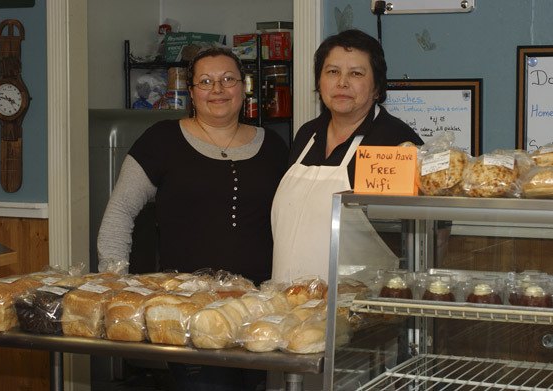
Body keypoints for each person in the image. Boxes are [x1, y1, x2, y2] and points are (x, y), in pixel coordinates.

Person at [97, 47, 288, 391]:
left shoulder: (274, 146)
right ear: (191, 92)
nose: (218, 89)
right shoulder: (160, 140)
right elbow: (120, 212)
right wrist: (115, 285)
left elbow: (292, 221)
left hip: (262, 313)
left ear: (244, 88)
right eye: (206, 81)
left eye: (228, 79)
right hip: (188, 316)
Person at [271, 29, 424, 284]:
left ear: (377, 87)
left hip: (361, 308)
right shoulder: (307, 135)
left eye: (356, 73)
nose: (342, 83)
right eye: (332, 72)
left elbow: (425, 236)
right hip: (291, 305)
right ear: (319, 82)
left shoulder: (397, 142)